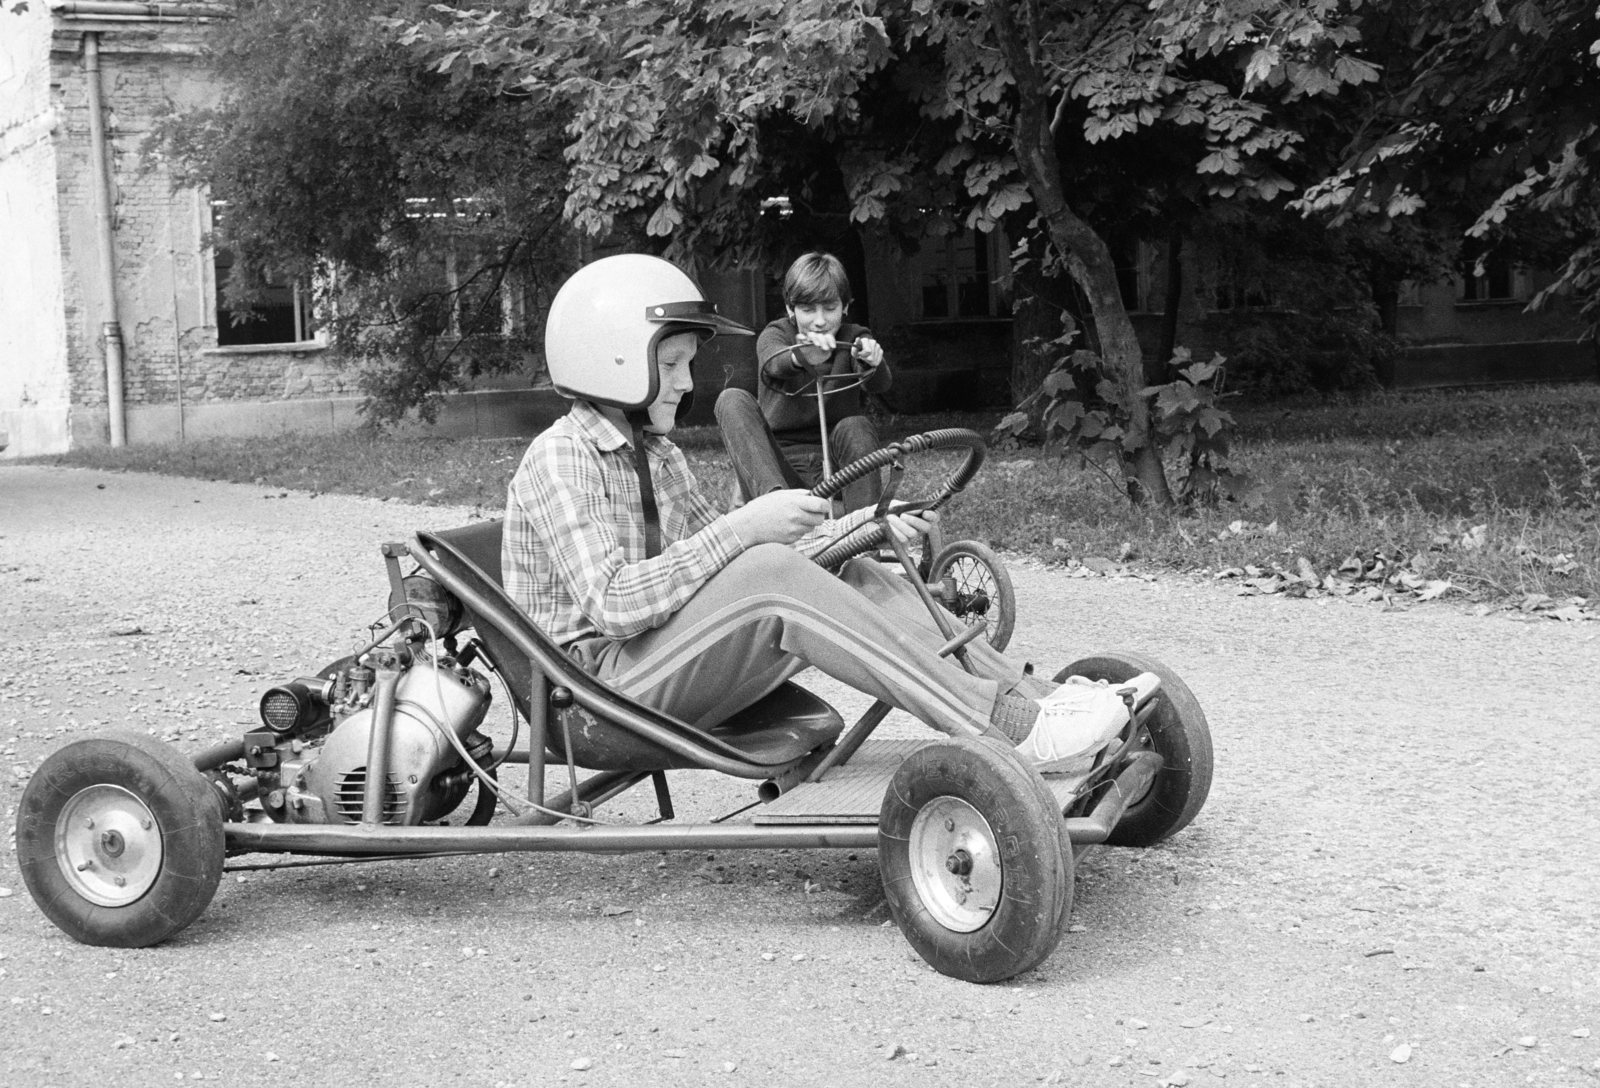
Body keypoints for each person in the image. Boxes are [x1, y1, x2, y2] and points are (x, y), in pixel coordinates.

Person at [503, 254, 1054, 756]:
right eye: (670, 365)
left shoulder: (659, 455)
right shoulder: (561, 455)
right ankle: (1000, 723)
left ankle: (1034, 697)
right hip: (589, 694)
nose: (685, 382)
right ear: (611, 364)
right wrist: (746, 527)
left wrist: (868, 523)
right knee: (769, 570)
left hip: (652, 660)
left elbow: (721, 567)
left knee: (851, 568)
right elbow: (615, 605)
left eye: (687, 364)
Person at [716, 252, 891, 513]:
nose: (819, 321)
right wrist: (802, 355)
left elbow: (879, 384)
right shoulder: (776, 334)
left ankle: (863, 532)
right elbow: (774, 363)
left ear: (845, 306)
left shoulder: (853, 337)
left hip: (838, 473)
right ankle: (774, 507)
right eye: (808, 310)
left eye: (830, 308)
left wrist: (871, 360)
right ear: (790, 310)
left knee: (856, 425)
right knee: (731, 399)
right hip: (781, 469)